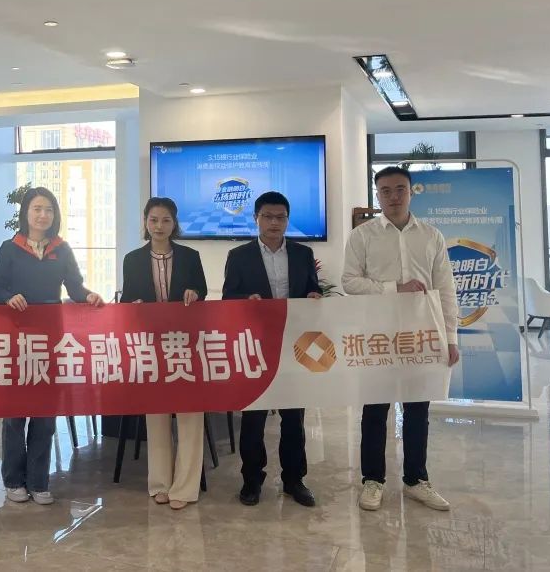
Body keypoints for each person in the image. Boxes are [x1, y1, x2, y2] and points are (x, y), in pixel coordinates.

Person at [342, 165, 460, 513]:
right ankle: (373, 480)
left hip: (421, 336)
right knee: (375, 410)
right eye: (386, 191)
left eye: (400, 190)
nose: (393, 197)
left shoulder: (431, 236)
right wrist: (394, 288)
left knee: (417, 410)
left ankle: (416, 480)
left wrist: (450, 337)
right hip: (377, 334)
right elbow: (349, 282)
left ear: (411, 192)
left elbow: (446, 289)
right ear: (377, 195)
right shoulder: (362, 236)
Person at [0, 186, 105, 505]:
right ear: (26, 212)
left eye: (49, 210)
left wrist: (89, 296)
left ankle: (39, 480)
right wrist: (8, 297)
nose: (43, 215)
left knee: (44, 412)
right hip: (16, 339)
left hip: (51, 340)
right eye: (37, 209)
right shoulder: (9, 248)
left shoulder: (62, 249)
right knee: (15, 414)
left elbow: (75, 287)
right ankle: (14, 480)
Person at [222, 191, 321, 508]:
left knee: (294, 418)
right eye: (267, 216)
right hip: (256, 346)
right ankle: (252, 480)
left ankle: (294, 480)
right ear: (256, 219)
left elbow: (312, 289)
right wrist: (245, 301)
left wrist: (315, 296)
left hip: (294, 344)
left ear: (288, 220)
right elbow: (228, 298)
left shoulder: (303, 254)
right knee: (253, 418)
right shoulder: (239, 256)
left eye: (280, 217)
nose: (274, 222)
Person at [121, 197, 208, 511]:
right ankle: (159, 483)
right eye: (154, 220)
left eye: (166, 220)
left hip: (184, 344)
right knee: (156, 415)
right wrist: (133, 306)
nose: (159, 226)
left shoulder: (190, 256)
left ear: (175, 224)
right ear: (146, 222)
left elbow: (202, 291)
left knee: (189, 414)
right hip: (150, 345)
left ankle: (185, 487)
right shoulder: (132, 259)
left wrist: (194, 294)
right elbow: (127, 299)